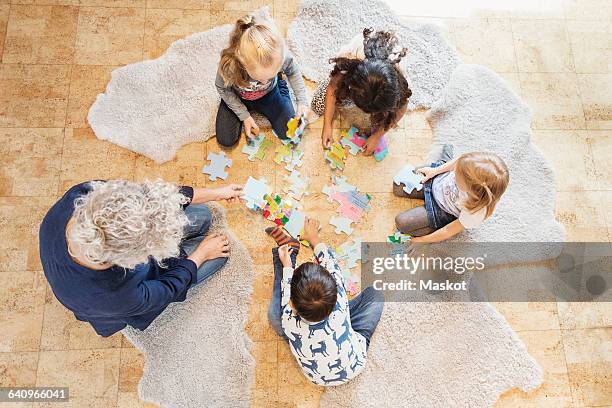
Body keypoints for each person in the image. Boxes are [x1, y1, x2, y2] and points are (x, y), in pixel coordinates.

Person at [39, 179, 243, 337]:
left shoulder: (87, 194)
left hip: (122, 261)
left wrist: (218, 193)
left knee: (203, 214)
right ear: (131, 260)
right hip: (135, 288)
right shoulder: (115, 296)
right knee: (218, 257)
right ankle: (197, 254)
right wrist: (202, 254)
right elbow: (168, 288)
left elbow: (153, 197)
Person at [266, 220, 384, 386]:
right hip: (355, 365)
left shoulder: (289, 321)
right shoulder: (340, 299)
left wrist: (287, 266)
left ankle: (288, 252)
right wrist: (314, 238)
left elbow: (286, 292)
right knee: (375, 295)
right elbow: (330, 262)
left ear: (293, 305)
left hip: (317, 379)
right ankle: (288, 251)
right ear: (334, 290)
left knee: (274, 316)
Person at [312, 28, 411, 156]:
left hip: (382, 79)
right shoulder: (350, 57)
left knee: (374, 123)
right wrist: (327, 126)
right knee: (318, 104)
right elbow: (332, 88)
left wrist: (377, 136)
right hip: (354, 71)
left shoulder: (400, 79)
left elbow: (401, 109)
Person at [215, 12, 309, 147]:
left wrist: (302, 102)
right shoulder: (230, 65)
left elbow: (292, 71)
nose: (264, 82)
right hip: (239, 96)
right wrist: (245, 116)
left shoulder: (279, 54)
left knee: (288, 132)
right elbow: (222, 88)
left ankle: (280, 84)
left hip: (270, 94)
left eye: (271, 75)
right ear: (243, 63)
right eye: (260, 78)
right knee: (225, 140)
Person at [394, 146, 510, 242]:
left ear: (473, 193)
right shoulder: (468, 164)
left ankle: (433, 227)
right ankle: (443, 161)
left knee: (402, 223)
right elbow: (457, 163)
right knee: (398, 187)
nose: (454, 173)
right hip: (437, 180)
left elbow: (449, 230)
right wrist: (435, 171)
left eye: (458, 176)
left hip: (442, 210)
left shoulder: (476, 213)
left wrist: (423, 240)